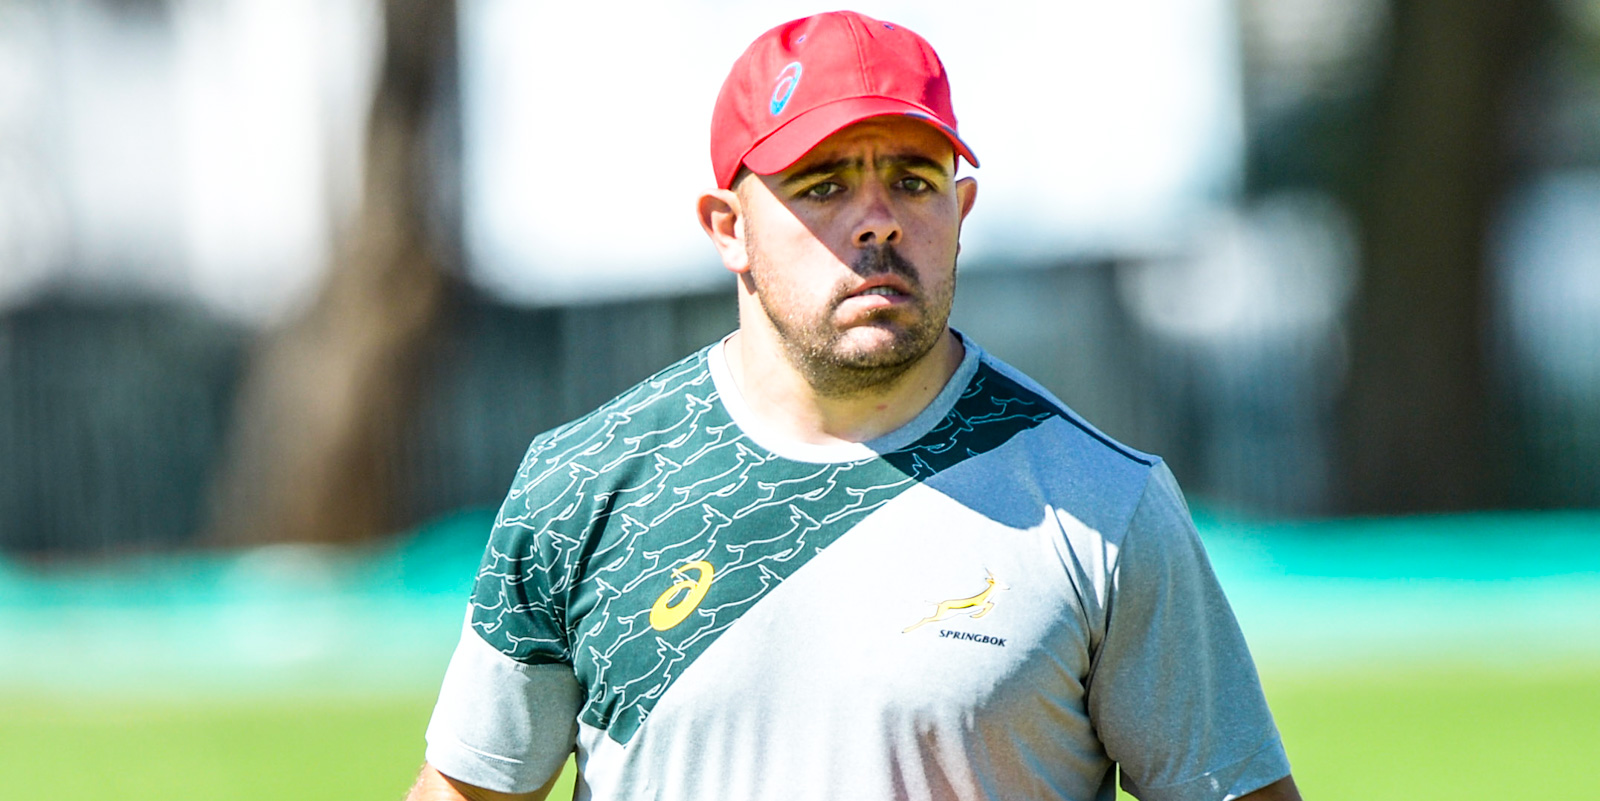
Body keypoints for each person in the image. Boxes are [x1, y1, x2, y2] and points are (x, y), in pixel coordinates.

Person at [406, 10, 1302, 801]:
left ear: (961, 209)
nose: (878, 221)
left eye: (912, 180)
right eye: (823, 185)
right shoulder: (584, 489)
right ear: (729, 228)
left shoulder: (1103, 505)